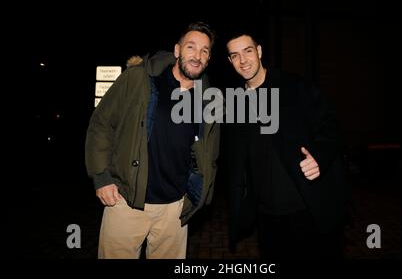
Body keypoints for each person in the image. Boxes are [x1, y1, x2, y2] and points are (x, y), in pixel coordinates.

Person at [85, 21, 220, 259]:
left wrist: (198, 193)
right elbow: (101, 123)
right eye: (191, 47)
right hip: (126, 202)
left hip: (175, 210)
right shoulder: (139, 79)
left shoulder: (209, 101)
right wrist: (102, 177)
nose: (197, 55)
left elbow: (208, 152)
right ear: (177, 51)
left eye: (205, 51)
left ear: (208, 59)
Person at [224, 29, 348, 259]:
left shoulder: (295, 87)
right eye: (235, 55)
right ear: (230, 61)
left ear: (259, 51)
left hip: (304, 209)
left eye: (247, 51)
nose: (243, 60)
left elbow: (330, 125)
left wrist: (319, 156)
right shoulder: (235, 104)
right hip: (267, 218)